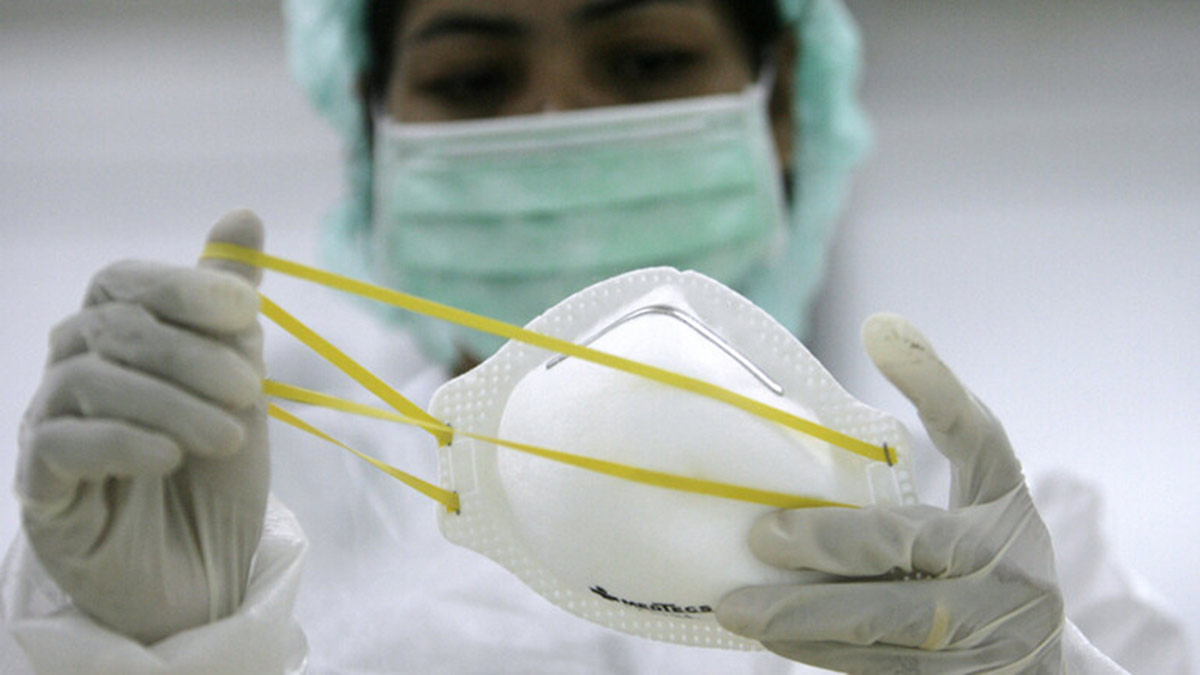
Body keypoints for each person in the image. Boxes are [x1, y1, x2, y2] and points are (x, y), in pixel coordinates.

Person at [0, 0, 1191, 673]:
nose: (558, 122)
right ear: (372, 134)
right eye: (475, 80)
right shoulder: (227, 504)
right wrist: (137, 646)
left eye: (646, 61)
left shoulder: (1005, 559)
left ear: (781, 106)